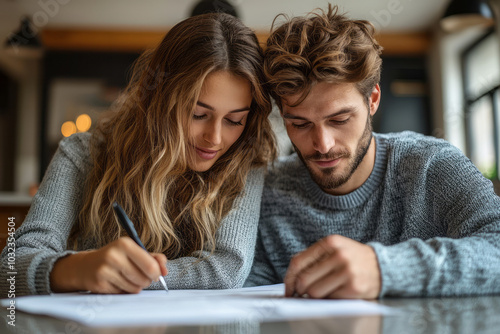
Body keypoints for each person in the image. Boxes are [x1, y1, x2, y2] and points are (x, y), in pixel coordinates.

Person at [0, 12, 276, 297]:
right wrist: (79, 269)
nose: (215, 138)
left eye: (234, 120)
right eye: (198, 114)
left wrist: (130, 277)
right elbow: (8, 271)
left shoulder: (246, 159)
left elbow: (226, 270)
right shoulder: (84, 153)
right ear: (160, 100)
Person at [244, 5, 500, 298]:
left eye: (339, 119)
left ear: (372, 100)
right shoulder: (269, 190)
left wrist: (385, 269)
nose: (323, 144)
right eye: (300, 124)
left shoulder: (432, 165)